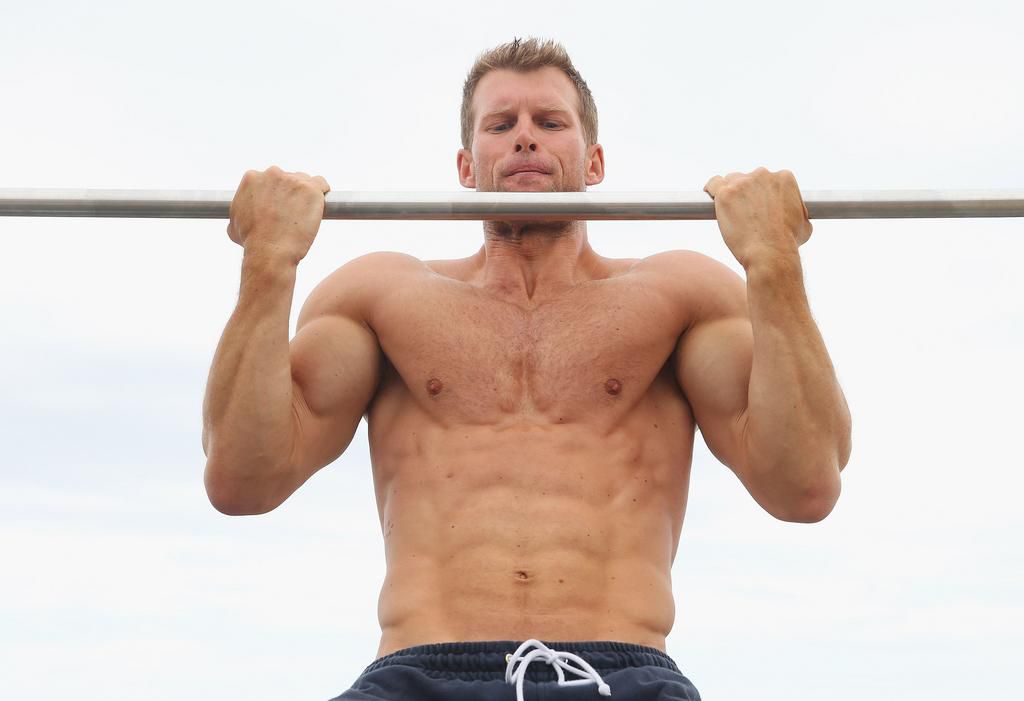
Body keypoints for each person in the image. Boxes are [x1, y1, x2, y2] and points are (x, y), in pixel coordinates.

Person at [202, 37, 852, 701]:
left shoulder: (680, 296)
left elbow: (802, 485)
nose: (524, 140)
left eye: (550, 122)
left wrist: (774, 267)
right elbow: (242, 479)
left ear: (593, 160)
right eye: (500, 124)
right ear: (466, 162)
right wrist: (268, 267)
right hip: (419, 672)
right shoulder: (379, 296)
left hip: (620, 672)